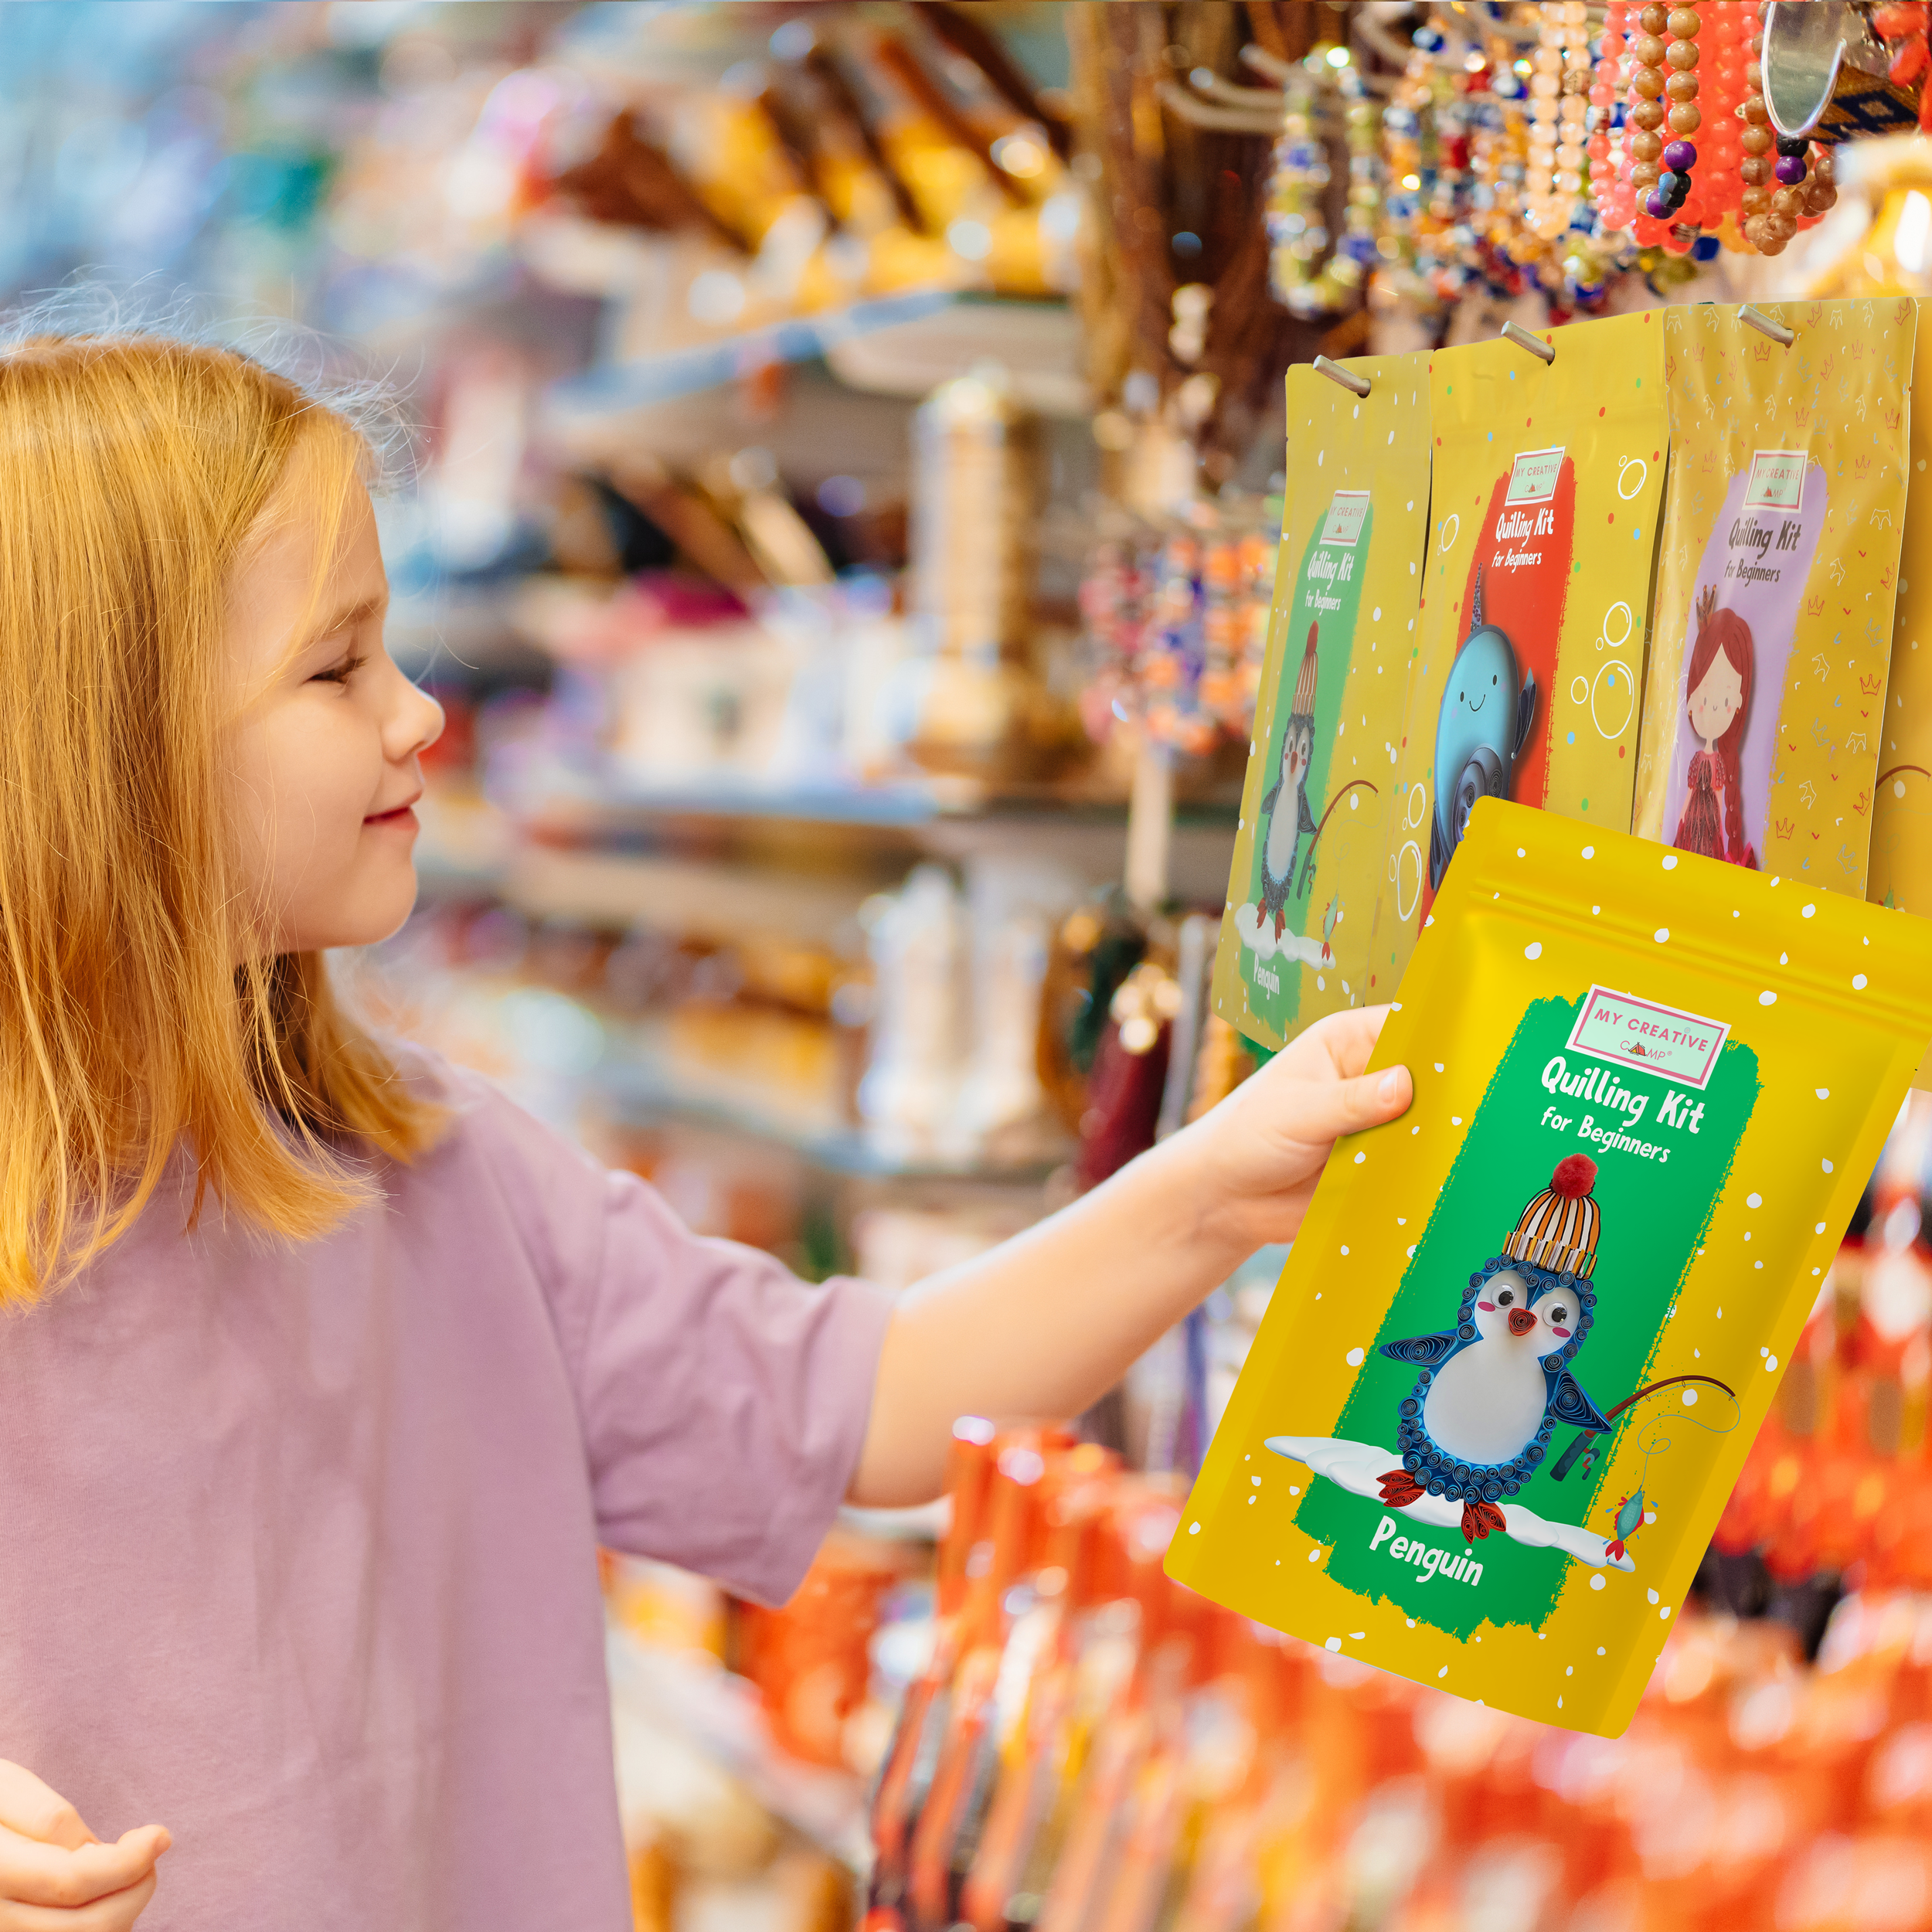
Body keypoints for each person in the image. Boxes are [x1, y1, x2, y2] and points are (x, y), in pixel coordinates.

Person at [0, 328, 1413, 1931]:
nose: (418, 716)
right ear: (98, 757)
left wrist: (1217, 1185)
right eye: (334, 670)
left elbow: (861, 1405)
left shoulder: (434, 1167)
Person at [1672, 583, 1757, 869]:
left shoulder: (1721, 763)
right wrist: (1682, 819)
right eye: (1707, 699)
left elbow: (1719, 797)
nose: (1715, 709)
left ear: (1736, 705)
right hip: (1695, 819)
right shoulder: (1696, 759)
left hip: (1709, 826)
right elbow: (1689, 793)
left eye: (1724, 703)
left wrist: (1721, 828)